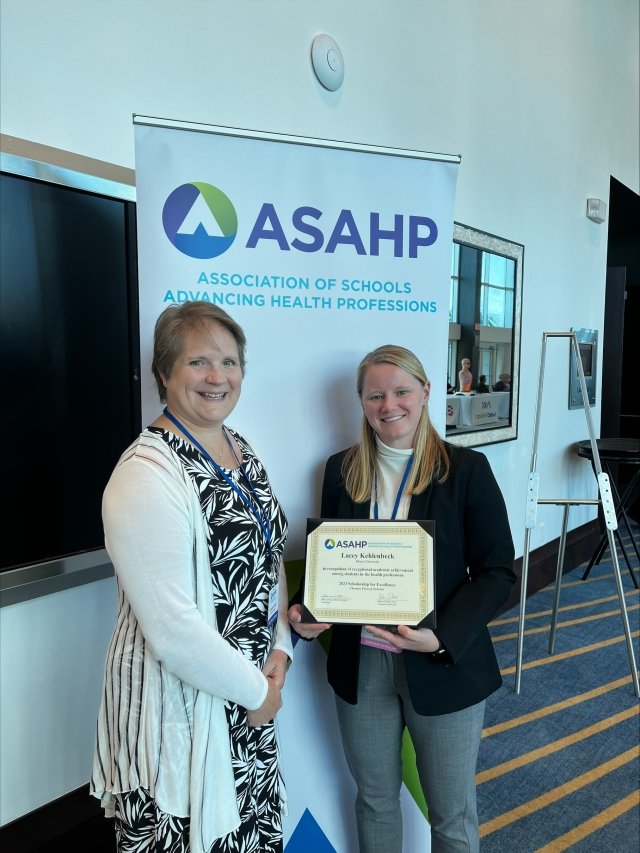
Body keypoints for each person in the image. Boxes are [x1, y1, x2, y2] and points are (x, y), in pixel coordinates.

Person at [288, 344, 516, 853]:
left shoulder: (467, 470)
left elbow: (498, 572)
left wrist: (440, 636)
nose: (389, 405)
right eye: (375, 395)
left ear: (426, 392)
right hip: (362, 660)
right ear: (362, 402)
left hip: (440, 662)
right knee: (373, 800)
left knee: (451, 813)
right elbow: (333, 557)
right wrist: (307, 608)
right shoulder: (341, 470)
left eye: (401, 392)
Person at [91, 301, 292, 853]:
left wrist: (281, 646)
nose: (217, 377)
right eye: (199, 362)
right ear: (164, 373)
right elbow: (173, 628)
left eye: (230, 362)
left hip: (247, 702)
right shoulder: (144, 475)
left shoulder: (240, 450)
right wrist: (258, 691)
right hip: (177, 712)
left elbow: (267, 558)